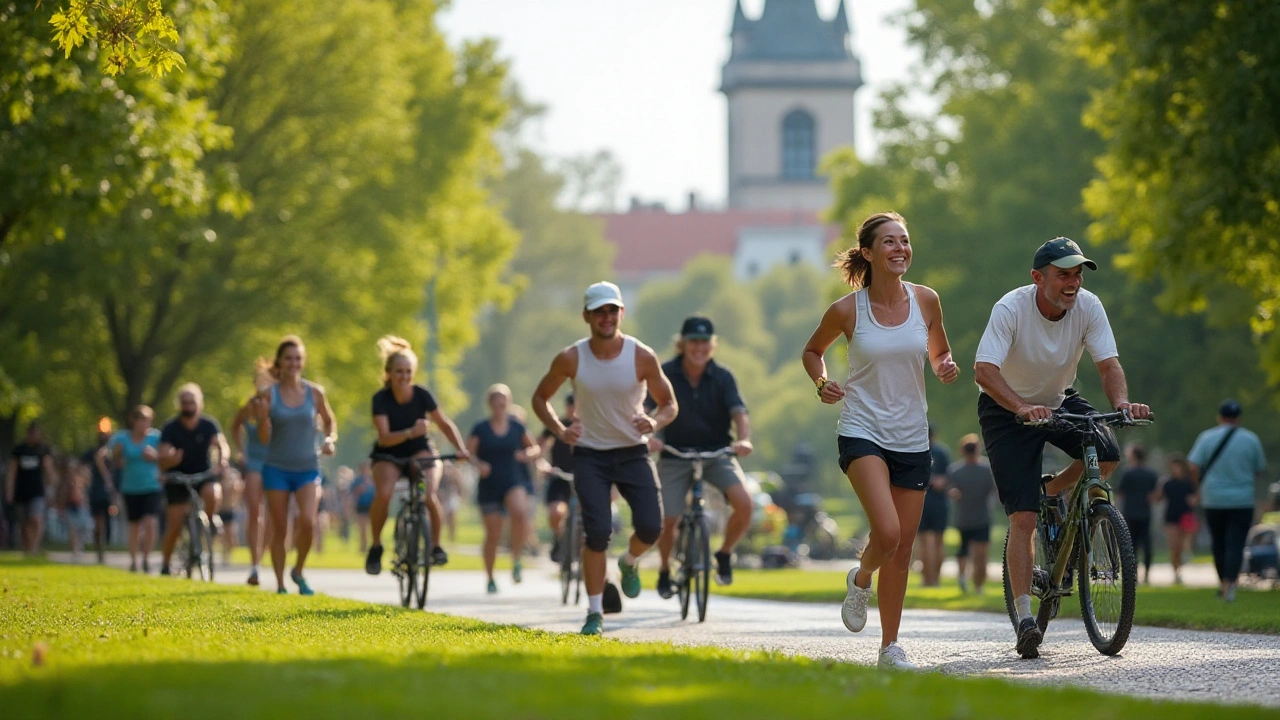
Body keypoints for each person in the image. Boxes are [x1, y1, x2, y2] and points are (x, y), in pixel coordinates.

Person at [974, 236, 1151, 659]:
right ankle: (1025, 619)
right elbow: (983, 370)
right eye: (1063, 274)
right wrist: (1020, 407)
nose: (1072, 283)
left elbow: (1108, 364)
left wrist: (1122, 405)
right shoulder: (1011, 308)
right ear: (1039, 278)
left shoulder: (1088, 306)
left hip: (1058, 399)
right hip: (1006, 408)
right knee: (1023, 518)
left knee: (1107, 454)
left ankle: (1056, 490)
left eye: (1077, 274)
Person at [802, 211, 959, 670]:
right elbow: (813, 352)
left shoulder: (927, 300)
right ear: (868, 253)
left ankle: (890, 646)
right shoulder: (848, 310)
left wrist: (944, 365)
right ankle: (863, 576)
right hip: (862, 430)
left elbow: (939, 349)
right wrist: (822, 383)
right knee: (887, 533)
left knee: (903, 547)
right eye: (889, 242)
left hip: (911, 436)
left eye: (904, 241)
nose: (900, 249)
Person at [532, 281, 678, 636]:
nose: (606, 317)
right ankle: (595, 612)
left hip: (632, 452)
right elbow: (540, 398)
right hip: (590, 455)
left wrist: (653, 421)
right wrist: (559, 429)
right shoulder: (571, 357)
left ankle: (628, 564)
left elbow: (669, 403)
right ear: (587, 316)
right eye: (599, 311)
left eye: (612, 310)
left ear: (621, 313)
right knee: (596, 533)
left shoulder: (640, 356)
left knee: (651, 527)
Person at [650, 315, 754, 595]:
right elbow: (648, 409)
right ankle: (663, 569)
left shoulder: (723, 376)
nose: (699, 348)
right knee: (666, 519)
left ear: (712, 345)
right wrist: (651, 436)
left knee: (744, 503)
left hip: (717, 453)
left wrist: (743, 439)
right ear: (682, 344)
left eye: (704, 342)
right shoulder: (665, 373)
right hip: (674, 455)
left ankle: (723, 553)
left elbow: (739, 413)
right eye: (693, 342)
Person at [365, 335, 469, 575]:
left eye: (408, 371)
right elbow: (384, 438)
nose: (403, 377)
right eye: (399, 372)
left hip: (419, 452)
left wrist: (460, 448)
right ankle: (376, 545)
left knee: (429, 493)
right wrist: (411, 431)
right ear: (389, 373)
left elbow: (443, 423)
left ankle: (436, 546)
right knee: (384, 492)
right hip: (388, 454)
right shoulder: (380, 399)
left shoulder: (422, 394)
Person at [254, 336, 337, 595]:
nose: (293, 363)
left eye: (298, 358)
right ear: (280, 362)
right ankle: (280, 584)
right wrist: (261, 419)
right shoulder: (269, 395)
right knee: (279, 528)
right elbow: (264, 439)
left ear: (303, 361)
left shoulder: (315, 392)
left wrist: (329, 439)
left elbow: (330, 421)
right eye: (288, 358)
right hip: (276, 468)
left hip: (308, 467)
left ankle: (298, 570)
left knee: (308, 521)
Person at [1188, 399, 1266, 602]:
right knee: (1236, 542)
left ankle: (1223, 582)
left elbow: (1194, 465)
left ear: (1219, 417)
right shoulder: (1251, 439)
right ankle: (1231, 583)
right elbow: (1258, 470)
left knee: (1219, 542)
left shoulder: (1206, 438)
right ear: (1238, 418)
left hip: (1214, 498)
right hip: (1242, 499)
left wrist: (1199, 487)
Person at [468, 384, 541, 593]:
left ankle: (517, 558)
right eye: (496, 400)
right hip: (489, 484)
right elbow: (468, 453)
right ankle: (490, 577)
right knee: (493, 534)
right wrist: (478, 464)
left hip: (512, 480)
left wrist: (527, 455)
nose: (500, 404)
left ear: (508, 402)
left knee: (520, 512)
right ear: (490, 403)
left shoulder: (517, 427)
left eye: (504, 400)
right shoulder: (480, 428)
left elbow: (534, 447)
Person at [158, 384, 229, 575]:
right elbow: (162, 456)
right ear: (179, 405)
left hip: (203, 475)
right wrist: (170, 459)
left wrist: (222, 461)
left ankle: (206, 524)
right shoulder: (171, 428)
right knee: (174, 524)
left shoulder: (209, 424)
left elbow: (221, 445)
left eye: (192, 402)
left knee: (213, 493)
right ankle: (165, 564)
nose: (188, 406)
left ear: (199, 404)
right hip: (178, 478)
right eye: (185, 402)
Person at [102, 406, 163, 572]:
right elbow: (108, 458)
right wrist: (116, 455)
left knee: (150, 522)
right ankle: (133, 561)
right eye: (142, 420)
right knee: (134, 525)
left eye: (148, 421)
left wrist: (156, 456)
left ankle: (146, 558)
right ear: (134, 421)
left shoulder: (156, 438)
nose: (145, 424)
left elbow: (166, 457)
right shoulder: (122, 438)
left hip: (152, 486)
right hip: (130, 487)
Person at [230, 365, 275, 585]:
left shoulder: (279, 404)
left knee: (273, 515)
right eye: (260, 380)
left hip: (276, 460)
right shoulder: (248, 406)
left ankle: (262, 555)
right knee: (255, 510)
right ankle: (254, 563)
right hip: (255, 461)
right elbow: (235, 426)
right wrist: (240, 450)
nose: (263, 384)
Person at [947, 434, 996, 594]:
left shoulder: (959, 470)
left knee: (970, 551)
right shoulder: (985, 469)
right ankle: (975, 584)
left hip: (973, 517)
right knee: (977, 553)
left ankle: (973, 582)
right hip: (974, 517)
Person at [7, 422, 57, 555]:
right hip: (21, 491)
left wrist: (51, 488)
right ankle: (28, 549)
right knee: (23, 524)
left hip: (37, 491)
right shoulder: (19, 450)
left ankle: (33, 549)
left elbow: (49, 470)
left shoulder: (42, 450)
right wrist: (9, 490)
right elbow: (12, 472)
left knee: (36, 519)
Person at [539, 395, 577, 562]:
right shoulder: (557, 425)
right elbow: (537, 447)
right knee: (556, 512)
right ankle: (559, 538)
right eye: (571, 404)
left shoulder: (591, 425)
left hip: (584, 477)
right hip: (559, 476)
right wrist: (543, 465)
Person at [1116, 442, 1158, 584]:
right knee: (1147, 544)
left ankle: (1133, 575)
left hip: (1130, 513)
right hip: (1145, 513)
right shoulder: (1150, 473)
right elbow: (1155, 494)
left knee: (1131, 545)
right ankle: (1147, 574)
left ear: (1133, 455)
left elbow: (1120, 492)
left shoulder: (1127, 473)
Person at [1156, 453, 1198, 585]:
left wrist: (1193, 500)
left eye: (1178, 467)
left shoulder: (1188, 482)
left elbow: (1195, 498)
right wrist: (1159, 486)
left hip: (1185, 515)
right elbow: (1158, 498)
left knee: (1184, 543)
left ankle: (1185, 555)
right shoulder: (1167, 483)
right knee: (1174, 547)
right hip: (1171, 516)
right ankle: (1176, 571)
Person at [916, 426, 949, 587]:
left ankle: (926, 579)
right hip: (938, 500)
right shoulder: (942, 452)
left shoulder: (915, 449)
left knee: (923, 542)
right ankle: (935, 578)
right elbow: (949, 476)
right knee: (938, 541)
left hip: (920, 498)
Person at [83, 417, 117, 564]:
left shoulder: (114, 452)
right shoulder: (92, 453)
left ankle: (104, 546)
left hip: (111, 491)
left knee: (107, 520)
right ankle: (99, 548)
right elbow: (82, 469)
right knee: (98, 521)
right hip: (96, 490)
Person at [218, 467, 243, 567]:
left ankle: (228, 552)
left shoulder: (234, 482)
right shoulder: (219, 481)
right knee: (221, 533)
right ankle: (224, 552)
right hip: (220, 511)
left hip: (230, 510)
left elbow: (238, 490)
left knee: (230, 534)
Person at [348, 461, 375, 553]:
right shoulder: (357, 480)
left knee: (373, 527)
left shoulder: (374, 479)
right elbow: (352, 493)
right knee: (362, 528)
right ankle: (363, 546)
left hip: (372, 505)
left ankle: (374, 546)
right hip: (361, 505)